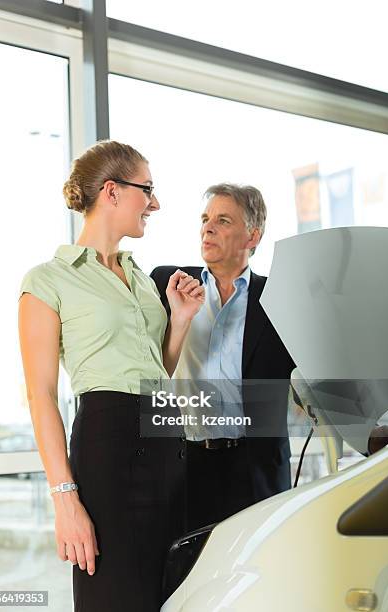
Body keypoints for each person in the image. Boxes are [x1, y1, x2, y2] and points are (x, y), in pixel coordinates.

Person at [18, 140, 205, 612]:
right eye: (147, 189)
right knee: (116, 597)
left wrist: (179, 320)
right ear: (112, 191)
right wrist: (65, 500)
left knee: (171, 598)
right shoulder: (47, 280)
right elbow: (41, 396)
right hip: (109, 448)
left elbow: (154, 373)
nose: (155, 203)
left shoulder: (142, 278)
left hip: (166, 438)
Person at [151, 183, 296, 531]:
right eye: (205, 219)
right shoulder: (167, 284)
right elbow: (145, 362)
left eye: (223, 220)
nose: (208, 227)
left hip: (255, 470)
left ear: (251, 236)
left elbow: (312, 371)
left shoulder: (280, 297)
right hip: (186, 466)